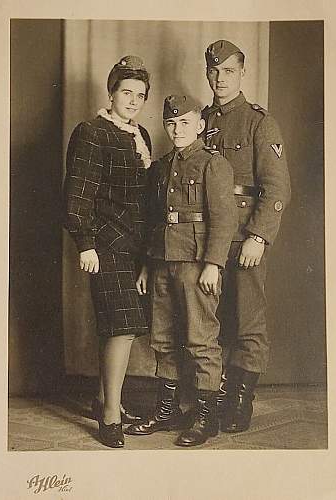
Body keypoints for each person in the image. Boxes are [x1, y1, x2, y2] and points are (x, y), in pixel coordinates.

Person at [125, 95, 238, 446]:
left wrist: (214, 264)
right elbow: (155, 221)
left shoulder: (212, 164)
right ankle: (168, 409)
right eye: (171, 124)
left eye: (185, 122)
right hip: (162, 262)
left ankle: (207, 418)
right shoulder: (160, 168)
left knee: (201, 339)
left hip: (196, 263)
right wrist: (147, 266)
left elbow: (224, 219)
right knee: (162, 337)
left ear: (200, 125)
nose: (177, 129)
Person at [202, 39, 291, 433]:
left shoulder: (259, 121)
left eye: (228, 71)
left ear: (242, 73)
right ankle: (212, 395)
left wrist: (258, 236)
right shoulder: (200, 119)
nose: (220, 78)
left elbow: (277, 188)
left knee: (247, 320)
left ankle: (239, 398)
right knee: (209, 319)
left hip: (242, 237)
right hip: (205, 239)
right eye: (214, 70)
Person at [63, 55, 152, 448]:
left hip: (135, 247)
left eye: (140, 95)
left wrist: (148, 256)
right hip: (104, 245)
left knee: (122, 326)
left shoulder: (142, 135)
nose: (133, 101)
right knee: (123, 325)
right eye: (126, 92)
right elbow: (77, 193)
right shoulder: (91, 132)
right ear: (111, 92)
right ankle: (111, 415)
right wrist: (85, 243)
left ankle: (103, 399)